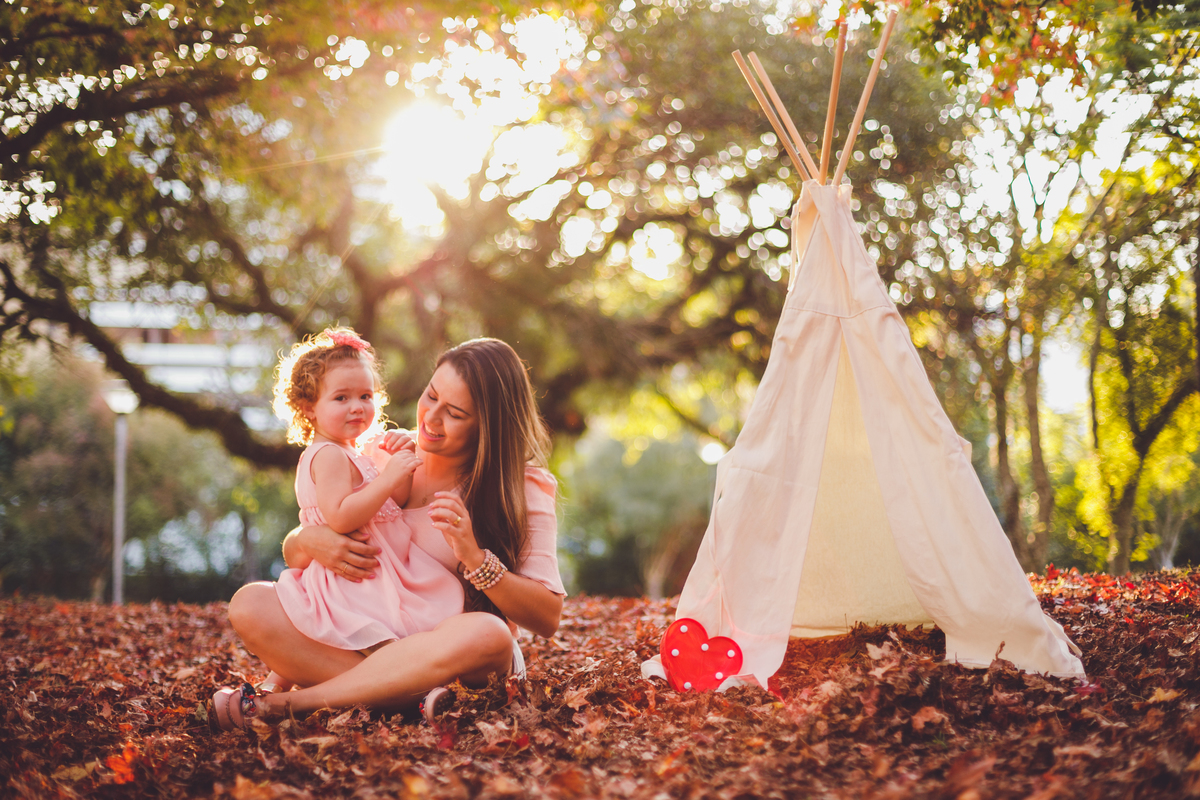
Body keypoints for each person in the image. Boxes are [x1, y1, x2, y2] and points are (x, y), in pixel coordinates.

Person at [213, 338, 564, 729]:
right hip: (368, 641)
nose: (430, 419)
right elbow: (322, 533)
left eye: (455, 413)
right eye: (431, 396)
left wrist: (474, 556)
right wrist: (304, 540)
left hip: (456, 658)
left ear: (488, 426)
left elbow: (547, 617)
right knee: (250, 603)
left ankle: (291, 705)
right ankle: (403, 702)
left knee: (488, 634)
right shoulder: (382, 455)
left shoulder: (520, 486)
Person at [228, 327, 465, 702]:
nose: (357, 406)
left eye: (365, 396)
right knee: (377, 641)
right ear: (309, 408)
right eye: (341, 398)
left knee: (397, 638)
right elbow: (340, 517)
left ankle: (400, 690)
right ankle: (410, 694)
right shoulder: (328, 456)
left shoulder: (354, 451)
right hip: (356, 577)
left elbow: (392, 502)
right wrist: (387, 478)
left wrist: (396, 463)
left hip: (380, 568)